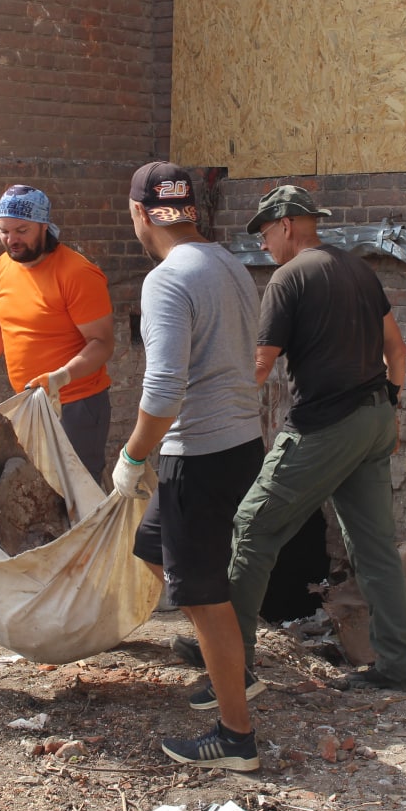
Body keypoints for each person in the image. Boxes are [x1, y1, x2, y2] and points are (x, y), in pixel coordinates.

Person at [226, 185, 406, 692]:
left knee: (252, 525)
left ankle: (229, 662)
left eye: (266, 233)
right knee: (376, 547)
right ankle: (398, 667)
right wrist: (391, 410)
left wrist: (208, 401)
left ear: (286, 225)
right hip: (375, 419)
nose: (264, 246)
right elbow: (396, 352)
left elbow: (260, 365)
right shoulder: (358, 268)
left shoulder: (288, 278)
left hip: (325, 425)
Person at [113, 161, 265, 771]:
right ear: (192, 210)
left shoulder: (166, 280)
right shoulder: (229, 263)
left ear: (139, 214)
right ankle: (235, 669)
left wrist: (132, 456)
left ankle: (235, 738)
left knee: (202, 597)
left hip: (195, 455)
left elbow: (162, 390)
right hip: (240, 445)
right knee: (154, 546)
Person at [0, 185, 114, 481]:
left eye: (22, 230)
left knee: (78, 492)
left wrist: (61, 376)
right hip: (28, 403)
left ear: (44, 225)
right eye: (4, 231)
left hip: (75, 404)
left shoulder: (76, 273)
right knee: (40, 490)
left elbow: (101, 343)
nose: (11, 240)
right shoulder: (4, 265)